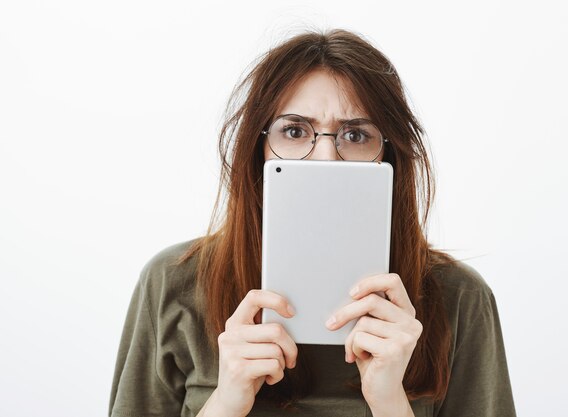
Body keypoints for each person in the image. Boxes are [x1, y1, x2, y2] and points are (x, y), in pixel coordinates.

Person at [109, 29, 516, 417]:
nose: (325, 159)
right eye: (294, 131)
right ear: (259, 151)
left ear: (388, 158)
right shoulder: (173, 283)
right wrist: (225, 402)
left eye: (356, 136)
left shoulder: (460, 297)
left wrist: (390, 403)